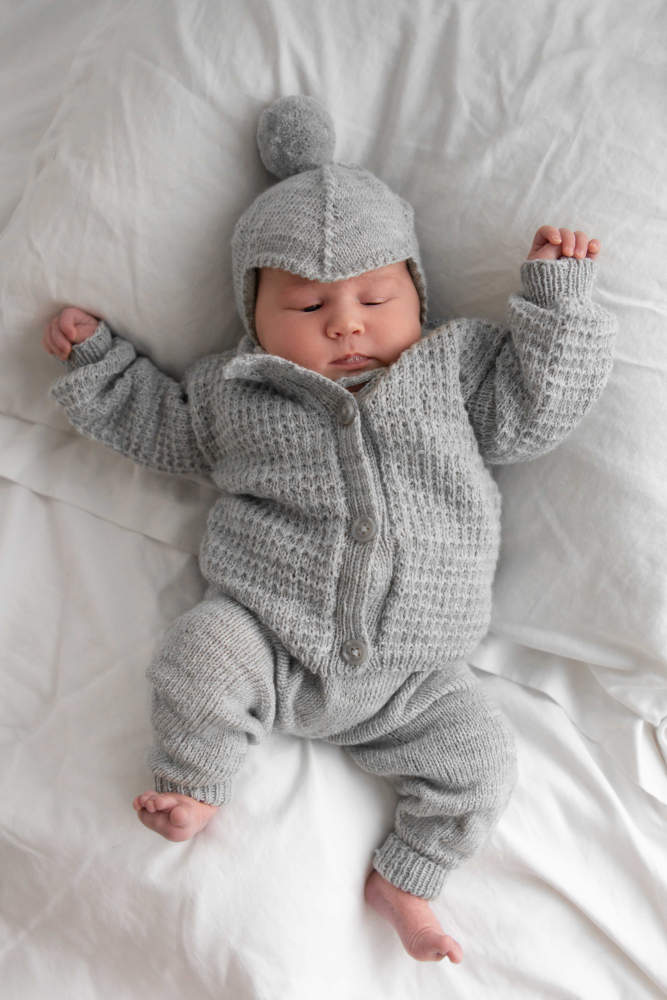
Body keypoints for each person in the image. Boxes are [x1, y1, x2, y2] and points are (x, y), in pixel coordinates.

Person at [42, 95, 617, 964]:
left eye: (375, 297)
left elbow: (538, 408)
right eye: (308, 307)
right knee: (198, 654)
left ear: (416, 293)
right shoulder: (237, 390)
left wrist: (555, 301)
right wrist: (100, 364)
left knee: (481, 764)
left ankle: (409, 877)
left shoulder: (452, 371)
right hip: (269, 639)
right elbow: (157, 424)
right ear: (254, 319)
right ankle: (196, 781)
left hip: (414, 678)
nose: (346, 323)